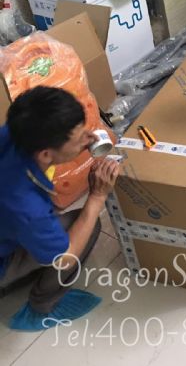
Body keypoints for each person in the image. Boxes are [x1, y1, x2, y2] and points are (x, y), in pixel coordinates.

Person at [0, 86, 120, 331]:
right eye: (79, 139)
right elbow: (64, 259)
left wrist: (76, 139)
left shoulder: (13, 132)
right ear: (45, 154)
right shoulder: (27, 206)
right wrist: (97, 197)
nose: (89, 139)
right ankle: (43, 305)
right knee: (86, 224)